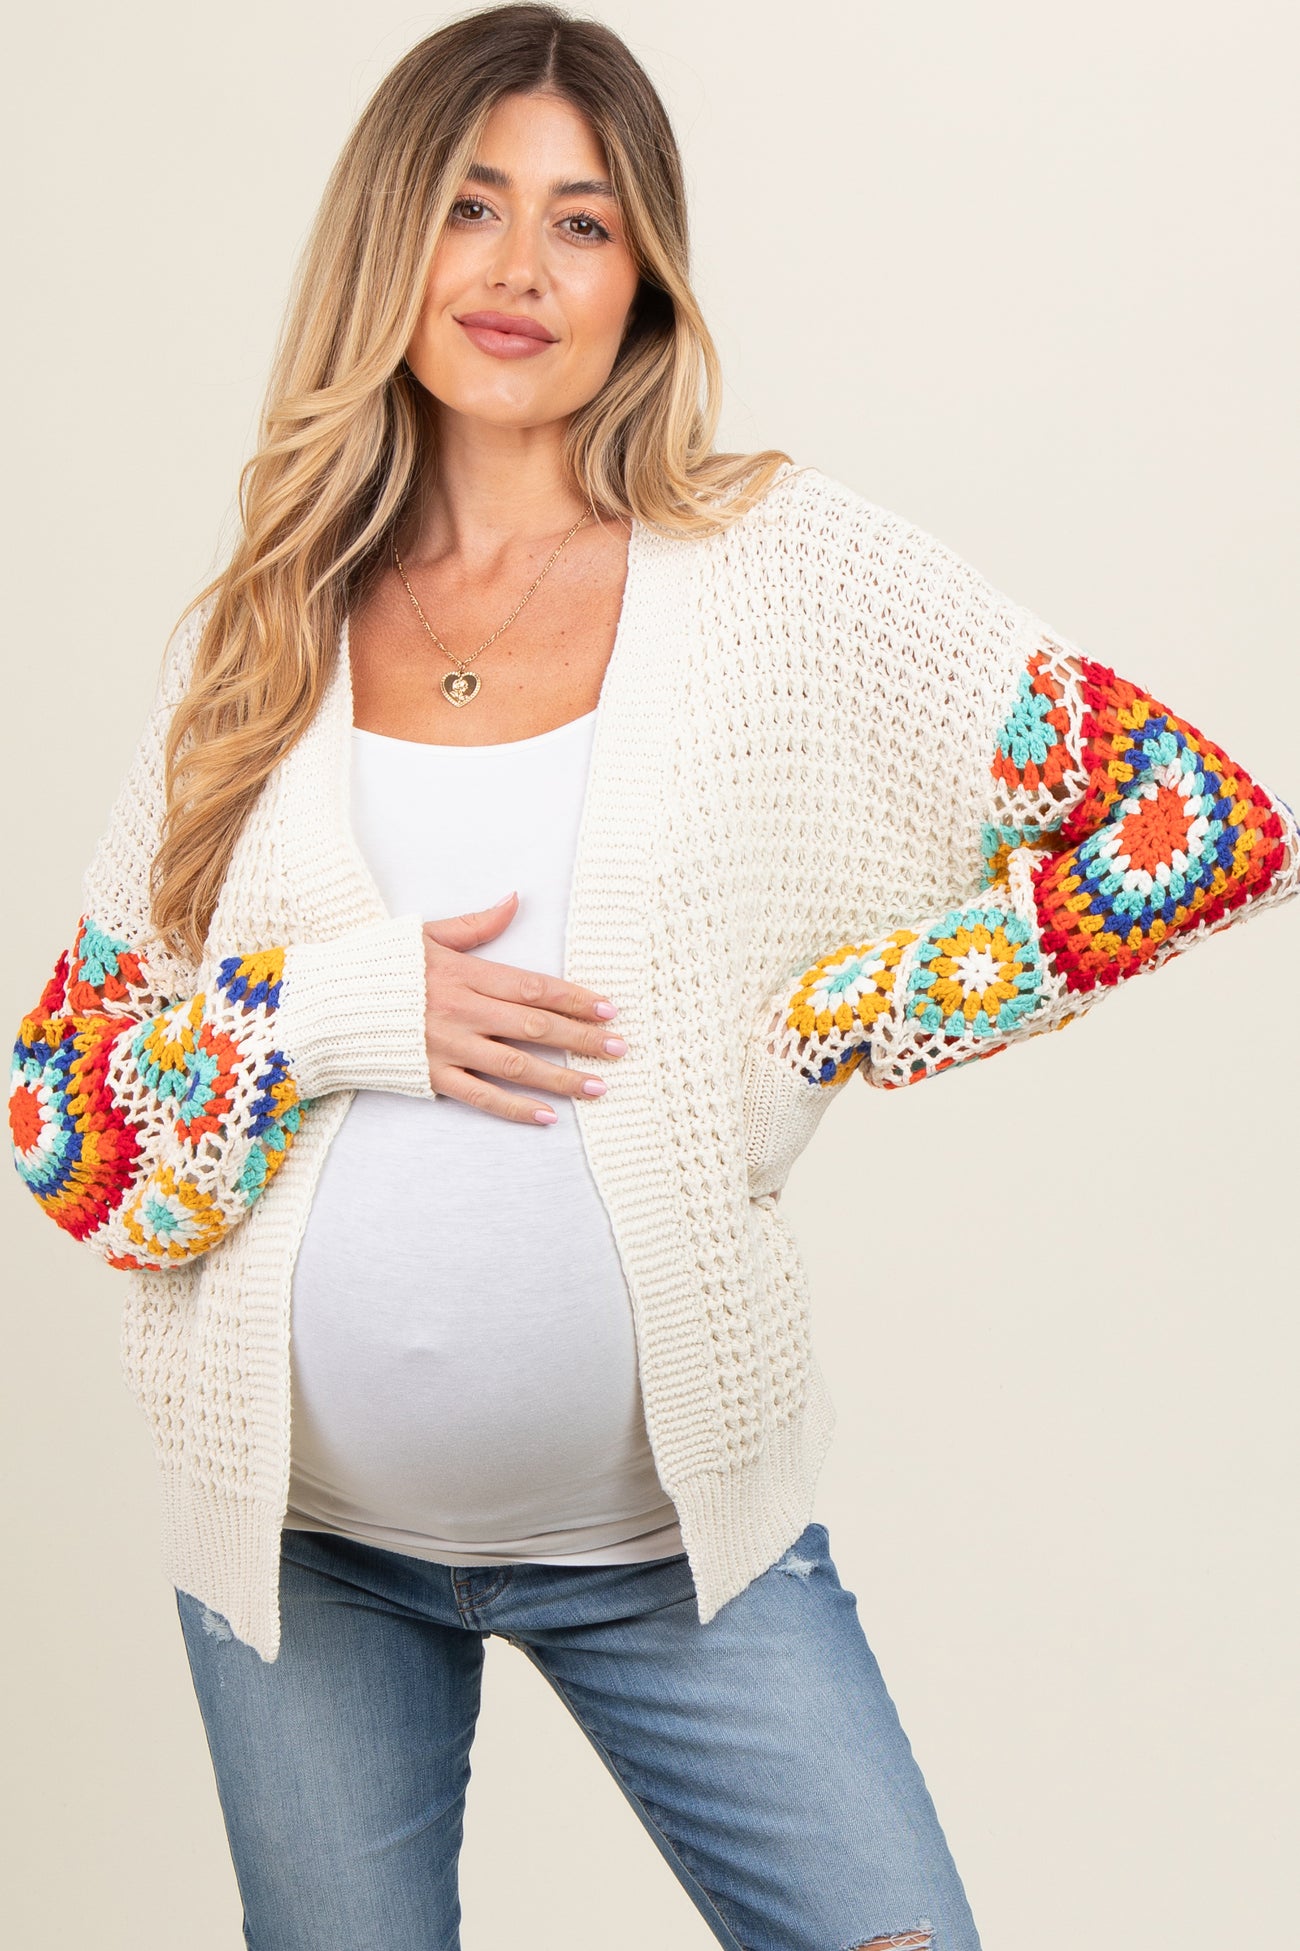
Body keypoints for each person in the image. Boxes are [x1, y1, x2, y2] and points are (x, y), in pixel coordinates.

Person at [9, 6, 1297, 1948]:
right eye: (470, 206)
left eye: (584, 222)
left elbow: (1193, 825)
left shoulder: (772, 570)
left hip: (667, 1548)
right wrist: (332, 1016)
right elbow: (66, 1123)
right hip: (301, 1559)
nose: (521, 268)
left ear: (644, 281)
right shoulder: (265, 635)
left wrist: (839, 1020)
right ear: (389, 241)